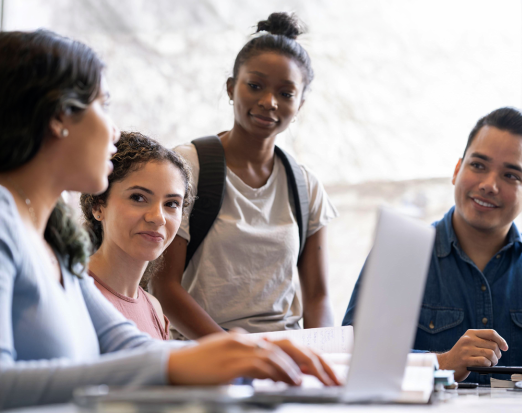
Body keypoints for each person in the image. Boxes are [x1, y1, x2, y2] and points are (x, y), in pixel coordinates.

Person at [0, 29, 339, 409]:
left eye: (173, 204)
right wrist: (191, 360)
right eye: (104, 104)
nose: (114, 131)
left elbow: (124, 346)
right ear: (58, 117)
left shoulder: (56, 242)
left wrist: (245, 355)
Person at [151, 12, 338, 340]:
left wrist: (322, 359)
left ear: (300, 104)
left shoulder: (306, 186)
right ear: (230, 88)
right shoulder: (187, 166)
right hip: (203, 354)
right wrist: (234, 350)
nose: (269, 102)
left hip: (283, 355)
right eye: (255, 86)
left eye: (286, 93)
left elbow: (318, 297)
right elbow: (164, 288)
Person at [343, 107, 522, 384]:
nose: (489, 185)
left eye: (510, 175)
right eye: (478, 165)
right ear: (457, 170)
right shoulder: (398, 257)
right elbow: (354, 361)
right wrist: (442, 363)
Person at [80, 132, 193, 340]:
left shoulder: (155, 309)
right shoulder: (72, 292)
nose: (158, 218)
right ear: (98, 205)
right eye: (138, 197)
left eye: (171, 204)